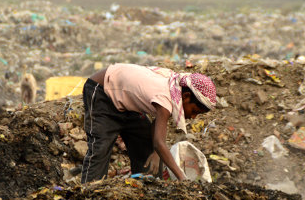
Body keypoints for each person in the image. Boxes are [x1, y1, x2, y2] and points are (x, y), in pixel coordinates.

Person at [80, 63, 216, 183]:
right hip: (102, 91)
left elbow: (157, 134)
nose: (193, 117)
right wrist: (182, 177)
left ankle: (145, 187)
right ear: (186, 97)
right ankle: (89, 192)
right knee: (101, 146)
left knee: (144, 142)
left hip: (126, 101)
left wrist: (156, 153)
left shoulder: (174, 87)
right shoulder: (165, 98)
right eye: (194, 111)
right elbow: (159, 142)